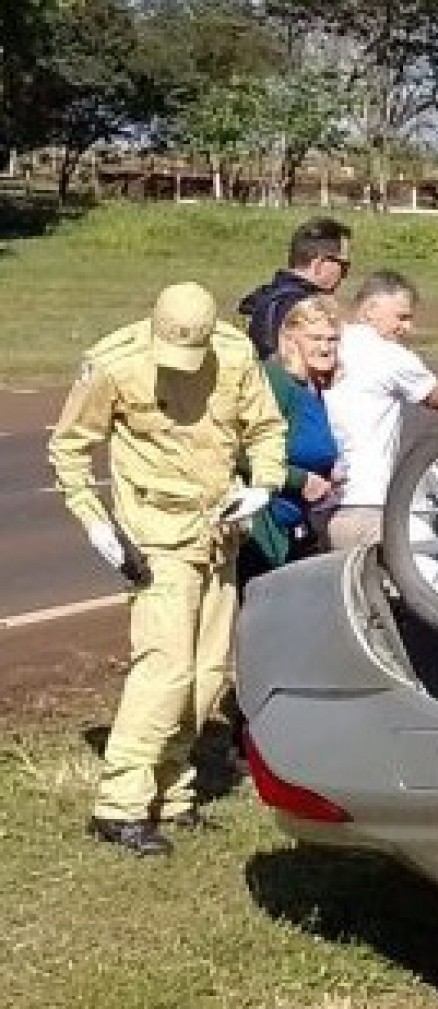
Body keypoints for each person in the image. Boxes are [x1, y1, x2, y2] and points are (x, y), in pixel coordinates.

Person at [46, 282, 288, 856]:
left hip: (221, 532)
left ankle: (171, 794)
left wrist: (263, 486)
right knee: (165, 669)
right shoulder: (115, 364)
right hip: (157, 536)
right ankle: (120, 804)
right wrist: (96, 524)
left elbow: (267, 430)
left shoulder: (234, 356)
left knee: (208, 671)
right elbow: (70, 448)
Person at [321, 269, 438, 549]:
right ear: (369, 310)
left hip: (322, 499)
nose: (407, 328)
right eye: (401, 317)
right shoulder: (390, 355)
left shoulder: (329, 343)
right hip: (366, 503)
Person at [239, 296, 343, 587]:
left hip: (294, 528)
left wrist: (328, 472)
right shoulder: (276, 382)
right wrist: (300, 480)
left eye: (332, 339)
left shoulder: (311, 387)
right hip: (260, 531)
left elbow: (303, 446)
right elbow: (239, 449)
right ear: (289, 338)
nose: (325, 347)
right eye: (315, 338)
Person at [237, 216, 353, 360]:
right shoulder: (306, 310)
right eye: (344, 267)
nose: (345, 276)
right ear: (320, 263)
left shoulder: (264, 298)